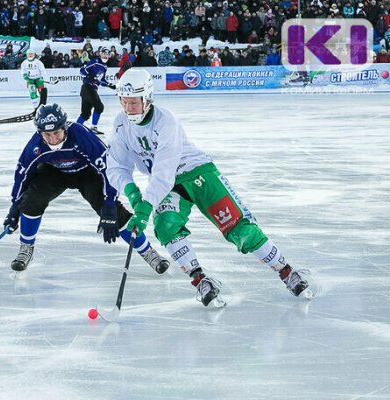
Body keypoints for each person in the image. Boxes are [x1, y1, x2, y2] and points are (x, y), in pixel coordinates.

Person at [107, 69, 312, 307]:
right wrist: (133, 195)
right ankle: (200, 280)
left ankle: (286, 271)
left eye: (134, 102)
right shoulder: (121, 124)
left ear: (148, 98)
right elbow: (117, 166)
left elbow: (164, 170)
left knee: (238, 228)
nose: (128, 107)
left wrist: (144, 208)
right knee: (165, 226)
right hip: (168, 185)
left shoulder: (165, 121)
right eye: (124, 102)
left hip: (196, 173)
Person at [3, 103, 170, 274]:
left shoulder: (80, 134)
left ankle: (148, 252)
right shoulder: (36, 146)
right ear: (40, 133)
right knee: (31, 200)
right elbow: (22, 176)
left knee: (112, 212)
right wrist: (15, 208)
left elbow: (109, 168)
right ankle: (26, 247)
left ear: (65, 127)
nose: (53, 139)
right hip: (54, 172)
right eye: (47, 134)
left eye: (56, 133)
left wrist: (110, 204)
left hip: (86, 173)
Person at [76, 47, 116, 134]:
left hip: (90, 90)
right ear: (100, 54)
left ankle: (74, 129)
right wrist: (88, 75)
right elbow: (82, 71)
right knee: (99, 106)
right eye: (104, 54)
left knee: (85, 114)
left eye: (107, 54)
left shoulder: (105, 67)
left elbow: (101, 80)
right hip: (87, 88)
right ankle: (93, 128)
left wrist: (109, 85)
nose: (106, 56)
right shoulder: (95, 61)